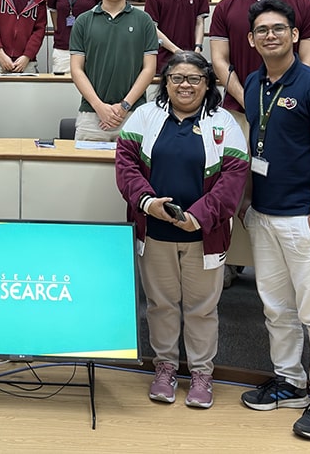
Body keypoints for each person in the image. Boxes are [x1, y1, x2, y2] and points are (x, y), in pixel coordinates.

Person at [116, 51, 249, 408]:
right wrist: (147, 203)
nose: (185, 85)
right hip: (155, 232)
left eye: (194, 79)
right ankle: (165, 368)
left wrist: (197, 217)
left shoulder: (225, 123)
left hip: (204, 236)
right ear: (166, 82)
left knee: (202, 308)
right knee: (160, 305)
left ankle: (202, 374)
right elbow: (126, 166)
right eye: (177, 78)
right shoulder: (144, 116)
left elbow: (233, 181)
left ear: (208, 84)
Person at [239, 0, 310, 441]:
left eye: (278, 28)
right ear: (251, 39)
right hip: (263, 214)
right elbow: (254, 148)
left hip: (305, 217)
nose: (270, 35)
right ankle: (289, 382)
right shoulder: (252, 82)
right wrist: (247, 203)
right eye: (261, 29)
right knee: (276, 308)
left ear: (295, 34)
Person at [69, 0, 160, 142]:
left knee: (134, 171)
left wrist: (124, 106)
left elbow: (149, 69)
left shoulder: (144, 21)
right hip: (92, 115)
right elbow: (76, 69)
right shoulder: (83, 21)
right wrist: (99, 107)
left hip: (133, 113)